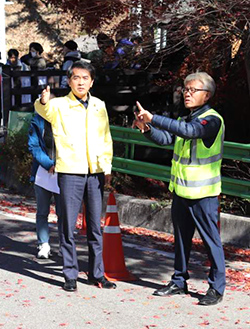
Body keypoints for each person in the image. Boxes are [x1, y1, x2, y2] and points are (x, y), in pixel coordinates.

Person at [133, 72, 226, 306]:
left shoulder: (212, 120)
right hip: (182, 191)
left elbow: (191, 133)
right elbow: (168, 140)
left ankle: (216, 288)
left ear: (207, 95)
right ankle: (179, 280)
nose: (187, 93)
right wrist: (146, 128)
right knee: (181, 240)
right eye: (185, 89)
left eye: (193, 90)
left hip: (203, 194)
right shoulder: (188, 119)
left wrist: (153, 117)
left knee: (211, 241)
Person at [34, 60, 116, 291]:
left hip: (95, 172)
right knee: (68, 225)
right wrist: (43, 99)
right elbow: (43, 109)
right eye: (76, 78)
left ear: (91, 82)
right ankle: (70, 274)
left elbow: (106, 138)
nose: (81, 82)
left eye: (85, 78)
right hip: (70, 171)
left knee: (95, 227)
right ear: (69, 81)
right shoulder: (59, 104)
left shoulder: (99, 105)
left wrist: (107, 168)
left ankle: (96, 273)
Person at [28, 111, 61, 259]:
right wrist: (48, 163)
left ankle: (64, 245)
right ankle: (43, 244)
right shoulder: (38, 120)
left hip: (64, 171)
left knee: (64, 213)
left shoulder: (66, 118)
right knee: (42, 211)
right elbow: (33, 145)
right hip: (42, 171)